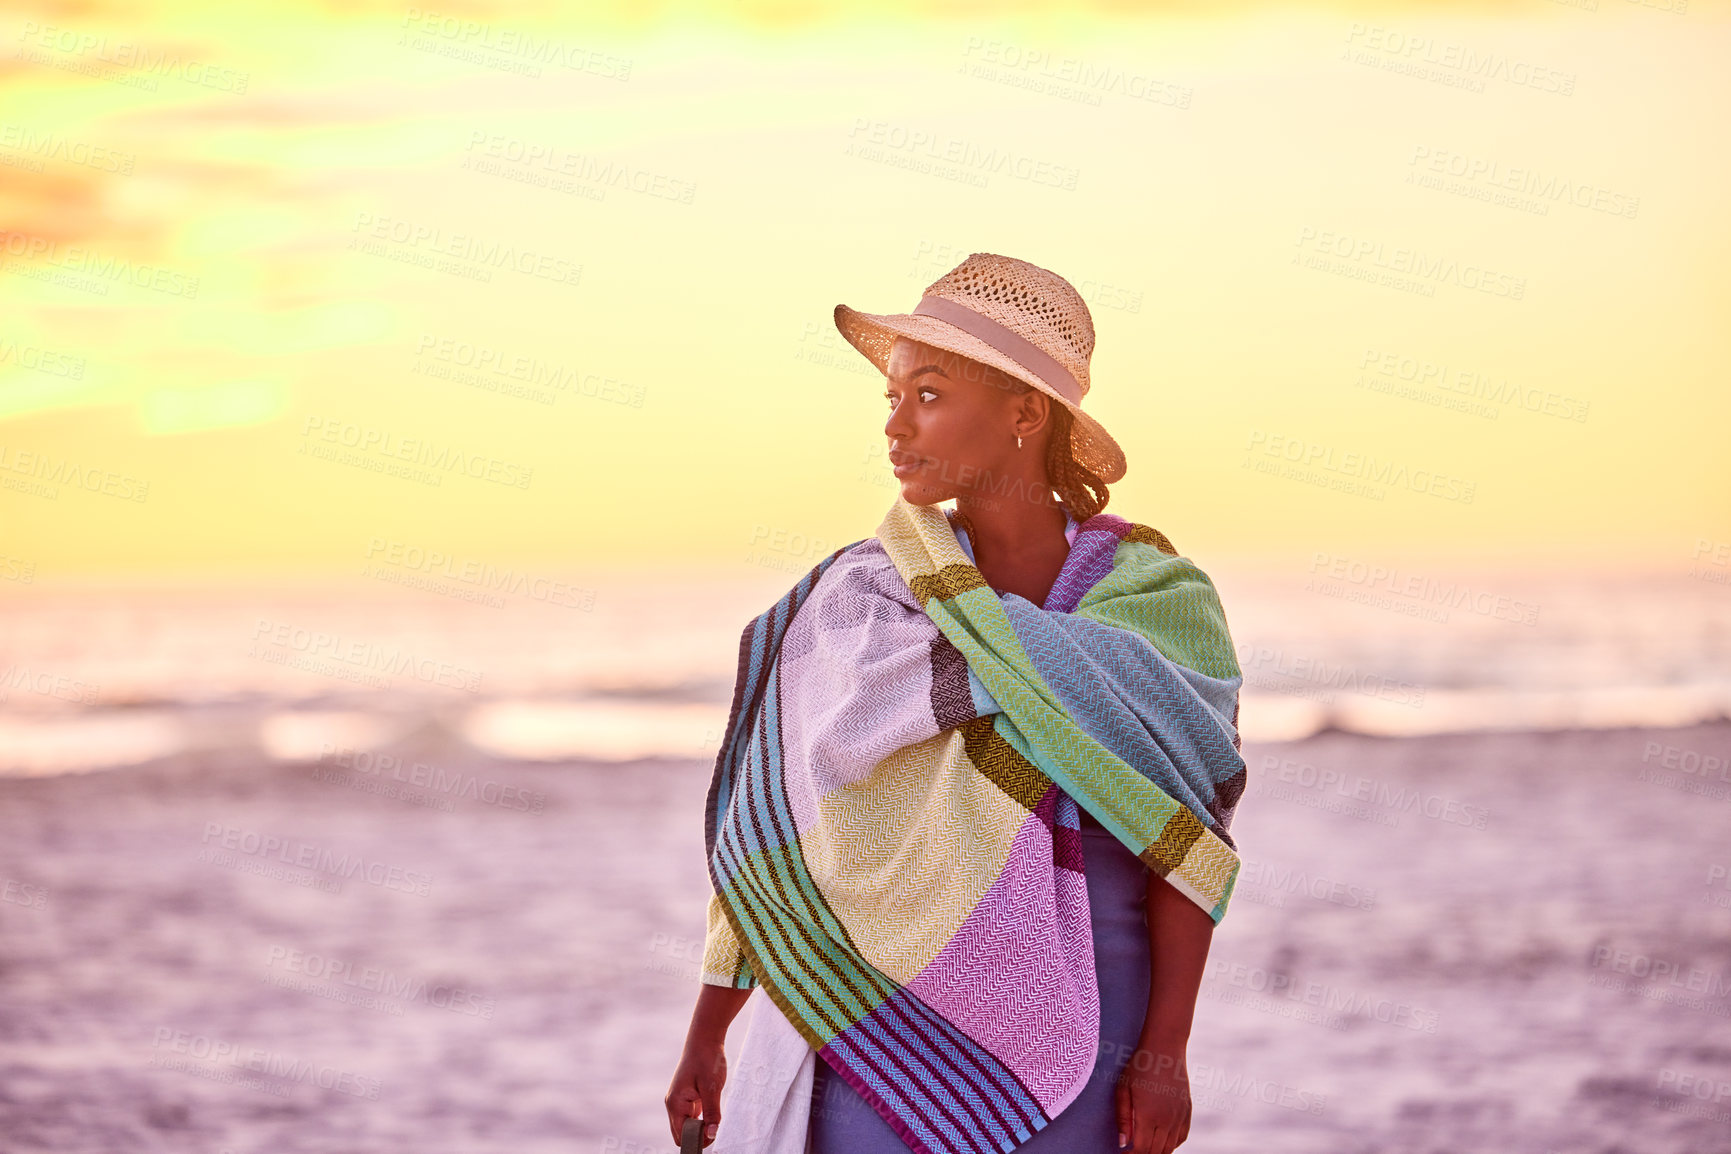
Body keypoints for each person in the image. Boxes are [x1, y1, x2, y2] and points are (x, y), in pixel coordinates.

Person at [665, 253, 1246, 1154]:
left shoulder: (1158, 603)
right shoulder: (862, 605)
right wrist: (710, 1027)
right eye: (890, 400)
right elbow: (788, 819)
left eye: (927, 395)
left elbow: (1185, 841)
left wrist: (1166, 1052)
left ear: (1024, 413)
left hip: (1099, 1026)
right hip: (877, 1021)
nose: (896, 427)